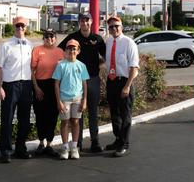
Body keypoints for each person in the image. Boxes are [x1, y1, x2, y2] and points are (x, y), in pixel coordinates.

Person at [58, 13, 106, 152]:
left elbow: (106, 56)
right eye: (82, 21)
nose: (84, 23)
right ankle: (77, 143)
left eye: (87, 20)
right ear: (79, 22)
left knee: (93, 111)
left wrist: (100, 65)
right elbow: (60, 51)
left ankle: (94, 141)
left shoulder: (97, 39)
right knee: (77, 114)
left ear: (91, 22)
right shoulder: (73, 38)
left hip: (93, 79)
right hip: (76, 82)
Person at [0, 16, 33, 163]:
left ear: (26, 28)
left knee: (25, 119)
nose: (20, 28)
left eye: (23, 26)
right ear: (14, 27)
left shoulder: (30, 45)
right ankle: (5, 150)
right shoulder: (6, 45)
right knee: (7, 119)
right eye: (18, 26)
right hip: (10, 86)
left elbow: (32, 68)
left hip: (26, 86)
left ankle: (20, 148)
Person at [104, 16, 139, 158]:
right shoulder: (108, 42)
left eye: (116, 26)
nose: (114, 29)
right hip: (111, 81)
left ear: (122, 26)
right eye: (111, 27)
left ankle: (124, 144)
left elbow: (134, 67)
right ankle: (118, 139)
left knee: (125, 115)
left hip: (125, 81)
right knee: (114, 113)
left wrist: (127, 86)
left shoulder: (129, 43)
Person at [52, 39, 89, 160]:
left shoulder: (82, 65)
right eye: (69, 48)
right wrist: (58, 102)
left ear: (78, 51)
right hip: (64, 99)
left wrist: (84, 100)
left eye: (74, 48)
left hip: (77, 99)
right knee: (65, 122)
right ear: (66, 50)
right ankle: (65, 148)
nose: (72, 51)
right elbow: (56, 84)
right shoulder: (61, 65)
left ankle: (74, 147)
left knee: (75, 122)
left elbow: (84, 84)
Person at [31, 29, 64, 157]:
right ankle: (41, 142)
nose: (49, 39)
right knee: (40, 115)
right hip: (40, 85)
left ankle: (49, 144)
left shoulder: (60, 52)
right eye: (46, 37)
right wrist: (36, 87)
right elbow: (32, 71)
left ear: (55, 38)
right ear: (43, 38)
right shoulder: (37, 50)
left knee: (52, 115)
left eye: (52, 37)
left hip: (54, 85)